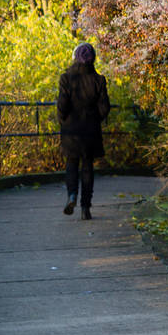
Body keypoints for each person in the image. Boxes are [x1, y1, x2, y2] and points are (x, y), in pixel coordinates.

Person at [57, 42, 110, 219]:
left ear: (75, 58)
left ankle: (72, 195)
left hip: (71, 131)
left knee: (71, 164)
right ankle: (85, 208)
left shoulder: (66, 78)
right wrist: (96, 119)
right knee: (87, 167)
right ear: (93, 60)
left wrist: (63, 120)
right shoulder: (99, 80)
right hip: (90, 131)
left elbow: (62, 105)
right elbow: (104, 108)